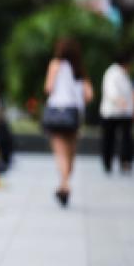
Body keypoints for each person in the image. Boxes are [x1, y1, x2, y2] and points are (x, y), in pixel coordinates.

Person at [43, 38, 93, 207]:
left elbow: (48, 88)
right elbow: (89, 95)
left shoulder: (55, 65)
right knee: (71, 153)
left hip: (57, 111)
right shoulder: (79, 69)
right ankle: (64, 184)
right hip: (73, 113)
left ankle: (64, 184)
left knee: (60, 153)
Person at [100, 50, 134, 173]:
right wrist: (119, 100)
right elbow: (110, 90)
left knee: (127, 138)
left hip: (125, 112)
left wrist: (131, 108)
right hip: (111, 112)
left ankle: (125, 161)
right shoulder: (112, 72)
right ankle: (107, 162)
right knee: (109, 138)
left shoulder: (124, 74)